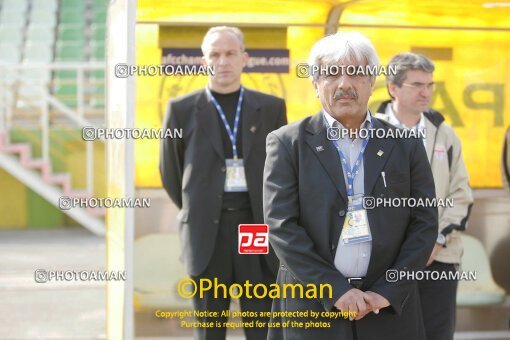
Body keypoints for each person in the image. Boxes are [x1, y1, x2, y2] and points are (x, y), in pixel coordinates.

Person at [263, 31, 437, 340]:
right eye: (331, 73)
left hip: (387, 309)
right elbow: (281, 226)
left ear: (372, 82)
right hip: (312, 306)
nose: (344, 83)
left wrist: (388, 290)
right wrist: (335, 290)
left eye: (356, 72)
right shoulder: (288, 143)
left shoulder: (405, 145)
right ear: (315, 84)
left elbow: (424, 223)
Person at [160, 26, 287, 340]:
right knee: (209, 328)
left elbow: (283, 170)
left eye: (230, 53)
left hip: (254, 227)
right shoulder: (181, 110)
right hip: (207, 232)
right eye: (214, 54)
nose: (223, 61)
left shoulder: (271, 108)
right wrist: (199, 206)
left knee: (261, 325)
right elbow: (171, 171)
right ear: (204, 61)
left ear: (244, 59)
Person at [375, 52, 474, 340]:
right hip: (386, 262)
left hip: (438, 259)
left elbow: (461, 194)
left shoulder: (445, 135)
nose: (426, 92)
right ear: (393, 88)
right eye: (417, 84)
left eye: (430, 85)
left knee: (436, 334)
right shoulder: (367, 131)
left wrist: (437, 239)